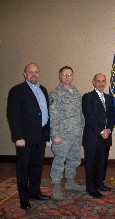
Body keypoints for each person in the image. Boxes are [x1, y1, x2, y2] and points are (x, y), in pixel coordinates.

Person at [7, 63, 51, 209]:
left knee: (37, 166)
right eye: (30, 72)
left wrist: (48, 133)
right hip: (24, 137)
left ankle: (35, 192)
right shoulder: (17, 91)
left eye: (36, 72)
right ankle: (24, 198)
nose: (34, 74)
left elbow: (45, 112)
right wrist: (18, 136)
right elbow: (13, 116)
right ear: (24, 74)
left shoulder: (43, 89)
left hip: (40, 135)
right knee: (23, 168)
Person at [49, 66, 85, 200]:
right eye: (64, 75)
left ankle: (70, 182)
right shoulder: (55, 94)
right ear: (60, 76)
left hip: (76, 133)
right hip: (62, 135)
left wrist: (82, 126)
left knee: (74, 159)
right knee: (59, 160)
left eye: (70, 74)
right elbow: (53, 116)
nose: (67, 77)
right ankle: (56, 185)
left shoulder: (75, 91)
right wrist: (56, 135)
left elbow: (80, 112)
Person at [82, 73, 115, 198]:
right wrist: (101, 131)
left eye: (103, 81)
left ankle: (99, 183)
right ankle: (91, 188)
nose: (101, 83)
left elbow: (113, 116)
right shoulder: (87, 97)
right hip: (93, 137)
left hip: (106, 136)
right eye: (98, 81)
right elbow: (89, 117)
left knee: (102, 162)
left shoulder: (109, 98)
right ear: (93, 82)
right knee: (91, 163)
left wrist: (109, 129)